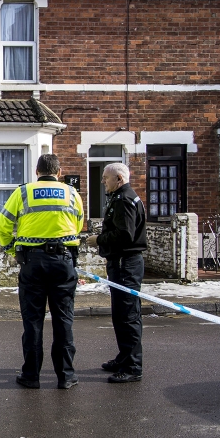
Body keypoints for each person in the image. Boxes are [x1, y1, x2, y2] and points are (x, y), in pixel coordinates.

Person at [0, 154, 84, 389]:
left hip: (32, 263)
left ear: (37, 171)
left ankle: (31, 375)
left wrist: (12, 249)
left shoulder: (23, 192)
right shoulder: (72, 193)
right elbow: (78, 225)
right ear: (59, 171)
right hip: (63, 262)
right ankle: (66, 375)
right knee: (63, 320)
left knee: (33, 321)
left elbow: (2, 225)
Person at [86, 163, 147, 383]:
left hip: (126, 264)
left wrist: (98, 239)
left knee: (128, 315)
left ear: (119, 179)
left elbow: (125, 234)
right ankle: (124, 357)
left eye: (106, 178)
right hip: (121, 263)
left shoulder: (124, 200)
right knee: (120, 314)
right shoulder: (121, 197)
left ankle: (132, 367)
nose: (103, 181)